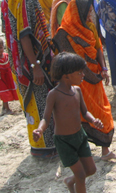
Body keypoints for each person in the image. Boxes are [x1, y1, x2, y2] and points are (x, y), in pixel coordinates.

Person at [53, 0, 116, 161]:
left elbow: (97, 48)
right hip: (76, 81)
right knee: (80, 115)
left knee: (102, 110)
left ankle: (105, 150)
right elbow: (65, 60)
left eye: (91, 11)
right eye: (88, 11)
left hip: (94, 77)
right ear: (78, 12)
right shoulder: (63, 33)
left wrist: (103, 68)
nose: (90, 14)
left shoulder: (89, 26)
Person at [1, 0, 56, 157]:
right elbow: (24, 34)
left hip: (19, 64)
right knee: (42, 100)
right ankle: (47, 147)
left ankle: (38, 146)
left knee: (33, 103)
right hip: (32, 61)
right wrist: (35, 65)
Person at [33, 52, 101, 193]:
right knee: (81, 174)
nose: (83, 75)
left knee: (91, 169)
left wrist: (94, 120)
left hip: (80, 137)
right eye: (79, 73)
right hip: (64, 141)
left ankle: (70, 181)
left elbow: (85, 112)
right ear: (66, 76)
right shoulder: (54, 95)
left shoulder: (77, 90)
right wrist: (40, 130)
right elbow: (46, 118)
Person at [0, 38, 18, 115]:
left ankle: (4, 107)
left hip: (8, 78)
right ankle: (7, 108)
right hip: (1, 79)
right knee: (4, 93)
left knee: (8, 92)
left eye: (0, 48)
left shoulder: (6, 56)